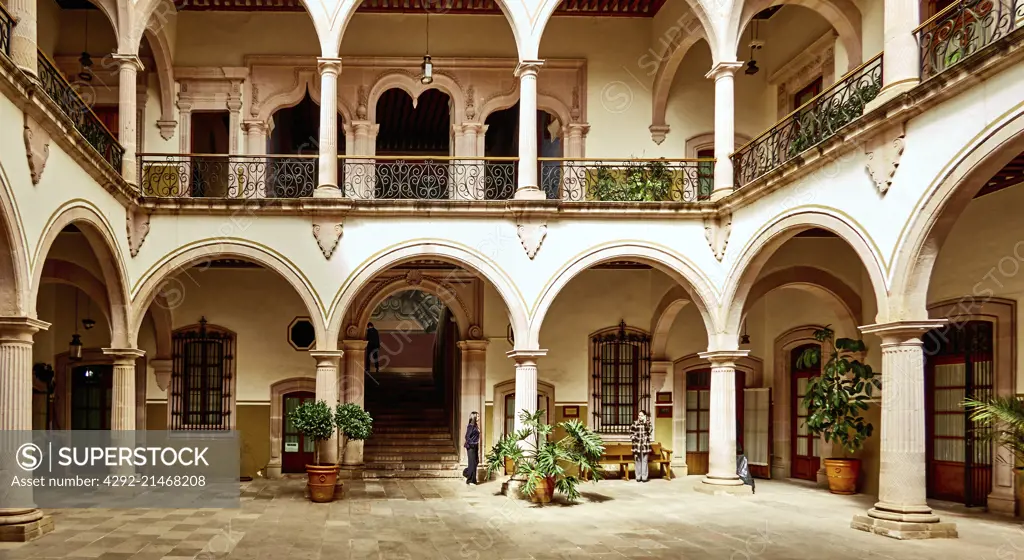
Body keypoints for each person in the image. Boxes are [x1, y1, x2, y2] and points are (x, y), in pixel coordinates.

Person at [630, 410, 653, 483]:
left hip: (645, 445)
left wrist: (645, 422)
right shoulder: (635, 423)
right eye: (639, 415)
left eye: (641, 415)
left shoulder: (648, 423)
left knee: (645, 461)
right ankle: (638, 477)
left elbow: (650, 431)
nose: (640, 417)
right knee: (637, 461)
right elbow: (631, 433)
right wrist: (634, 438)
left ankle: (644, 477)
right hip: (637, 445)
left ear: (645, 416)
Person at [464, 411, 481, 485]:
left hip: (475, 446)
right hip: (471, 447)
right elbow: (467, 437)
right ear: (473, 417)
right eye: (477, 416)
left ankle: (466, 473)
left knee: (476, 462)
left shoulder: (475, 425)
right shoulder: (470, 426)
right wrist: (472, 444)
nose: (478, 417)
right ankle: (470, 480)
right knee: (472, 463)